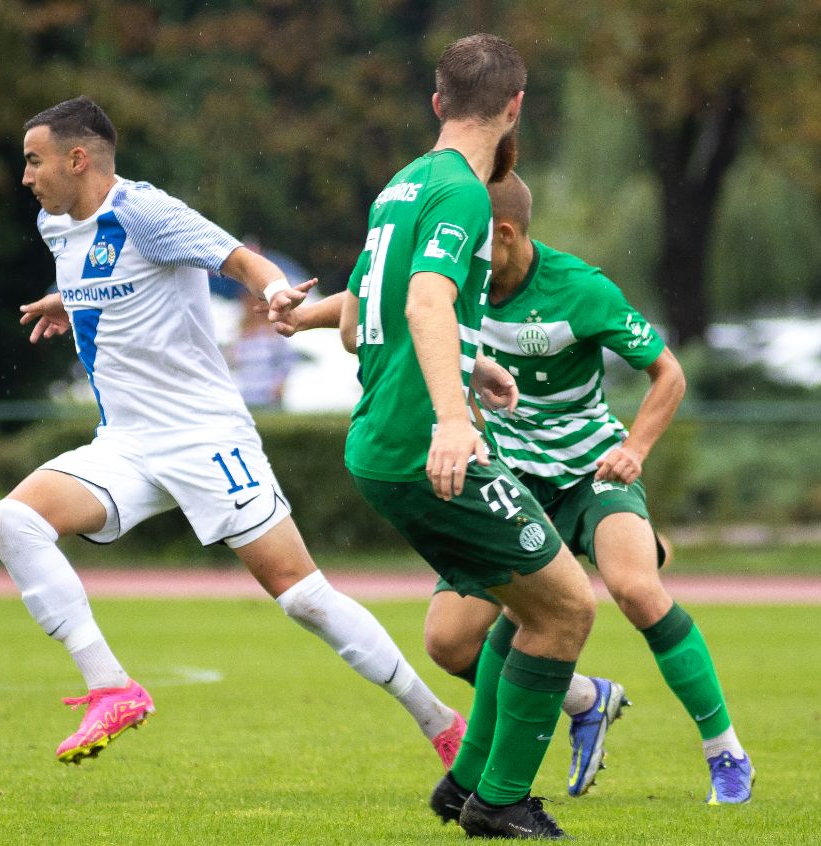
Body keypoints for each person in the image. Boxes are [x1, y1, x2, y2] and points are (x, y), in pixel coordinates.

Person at [0, 96, 466, 770]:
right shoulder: (55, 225)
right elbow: (113, 273)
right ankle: (112, 688)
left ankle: (441, 722)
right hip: (125, 443)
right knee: (11, 521)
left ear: (78, 158)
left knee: (303, 598)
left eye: (35, 161)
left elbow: (236, 259)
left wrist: (274, 290)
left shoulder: (145, 211)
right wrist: (72, 301)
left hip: (205, 437)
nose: (26, 176)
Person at [420, 172, 752, 805]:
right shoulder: (457, 288)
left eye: (471, 241)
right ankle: (583, 700)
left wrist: (635, 450)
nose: (460, 253)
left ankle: (726, 752)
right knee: (448, 639)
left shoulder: (580, 288)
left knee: (636, 589)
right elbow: (378, 308)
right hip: (512, 481)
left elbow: (669, 374)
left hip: (590, 474)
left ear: (505, 234)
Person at [336, 35, 596, 838]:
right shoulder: (464, 194)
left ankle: (466, 785)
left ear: (437, 102)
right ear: (515, 106)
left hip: (378, 441)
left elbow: (356, 324)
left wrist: (469, 361)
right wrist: (453, 417)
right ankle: (500, 803)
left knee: (527, 606)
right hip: (424, 446)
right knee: (566, 611)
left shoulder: (401, 185)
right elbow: (423, 303)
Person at [225, 284, 297, 409]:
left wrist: (280, 384)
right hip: (246, 395)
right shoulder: (240, 333)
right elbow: (231, 363)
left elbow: (286, 362)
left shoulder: (274, 331)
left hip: (269, 396)